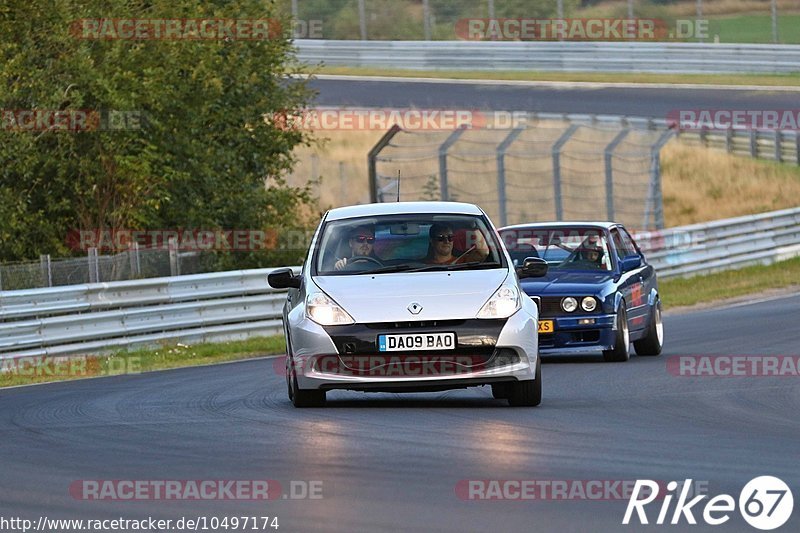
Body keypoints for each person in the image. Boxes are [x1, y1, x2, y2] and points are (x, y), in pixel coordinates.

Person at [425, 222, 489, 265]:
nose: (446, 241)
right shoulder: (422, 265)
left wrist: (474, 226)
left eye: (450, 237)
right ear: (432, 241)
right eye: (441, 238)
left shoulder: (464, 261)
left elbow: (483, 253)